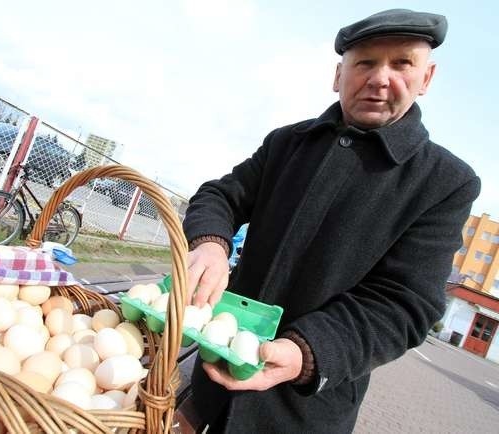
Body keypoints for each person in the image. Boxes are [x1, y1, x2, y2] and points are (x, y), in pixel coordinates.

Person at [182, 9, 480, 434]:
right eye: (365, 62)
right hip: (210, 388)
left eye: (401, 63)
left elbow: (405, 304)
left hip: (301, 414)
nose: (380, 77)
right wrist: (210, 243)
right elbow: (222, 194)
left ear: (426, 78)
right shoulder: (288, 143)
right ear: (338, 76)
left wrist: (308, 352)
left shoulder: (444, 182)